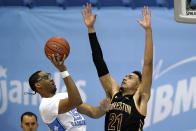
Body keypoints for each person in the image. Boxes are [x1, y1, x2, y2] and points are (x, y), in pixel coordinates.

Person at [81, 3, 153, 131]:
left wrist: (148, 31)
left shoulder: (140, 96)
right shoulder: (114, 92)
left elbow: (148, 64)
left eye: (130, 77)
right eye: (125, 76)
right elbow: (99, 62)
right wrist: (91, 29)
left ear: (138, 85)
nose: (125, 78)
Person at [29, 54, 111, 131]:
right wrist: (63, 70)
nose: (51, 79)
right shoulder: (45, 105)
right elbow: (76, 101)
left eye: (50, 75)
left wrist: (102, 109)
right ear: (38, 85)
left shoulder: (63, 96)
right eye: (46, 77)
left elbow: (93, 113)